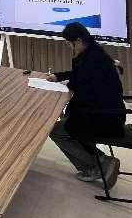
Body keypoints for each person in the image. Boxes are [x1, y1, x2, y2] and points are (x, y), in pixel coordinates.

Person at [46, 22, 124, 187]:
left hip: (104, 117)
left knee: (56, 131)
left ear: (79, 41)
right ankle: (100, 161)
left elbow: (83, 85)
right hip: (108, 112)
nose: (70, 48)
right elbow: (80, 76)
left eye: (70, 44)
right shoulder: (94, 53)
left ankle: (96, 166)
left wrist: (69, 83)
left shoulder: (93, 59)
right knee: (66, 121)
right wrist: (58, 76)